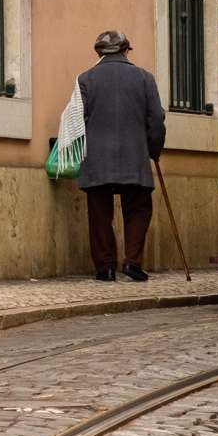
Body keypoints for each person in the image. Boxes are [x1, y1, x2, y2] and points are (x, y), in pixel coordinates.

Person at [79, 29, 166, 283]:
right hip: (134, 156)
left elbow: (77, 120)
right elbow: (156, 120)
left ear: (99, 53)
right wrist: (153, 149)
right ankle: (133, 262)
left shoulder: (85, 79)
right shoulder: (144, 78)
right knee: (138, 209)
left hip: (97, 158)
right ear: (126, 50)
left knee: (99, 214)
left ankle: (105, 267)